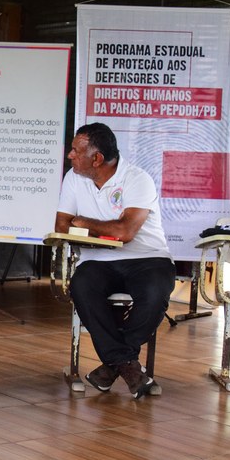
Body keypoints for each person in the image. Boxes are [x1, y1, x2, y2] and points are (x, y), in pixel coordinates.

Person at [54, 122, 175, 399]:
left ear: (96, 159)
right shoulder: (74, 178)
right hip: (98, 259)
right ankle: (128, 366)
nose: (70, 155)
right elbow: (62, 226)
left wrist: (84, 222)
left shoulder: (137, 179)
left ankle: (113, 365)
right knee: (82, 285)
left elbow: (126, 232)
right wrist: (98, 225)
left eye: (75, 150)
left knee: (156, 290)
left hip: (147, 257)